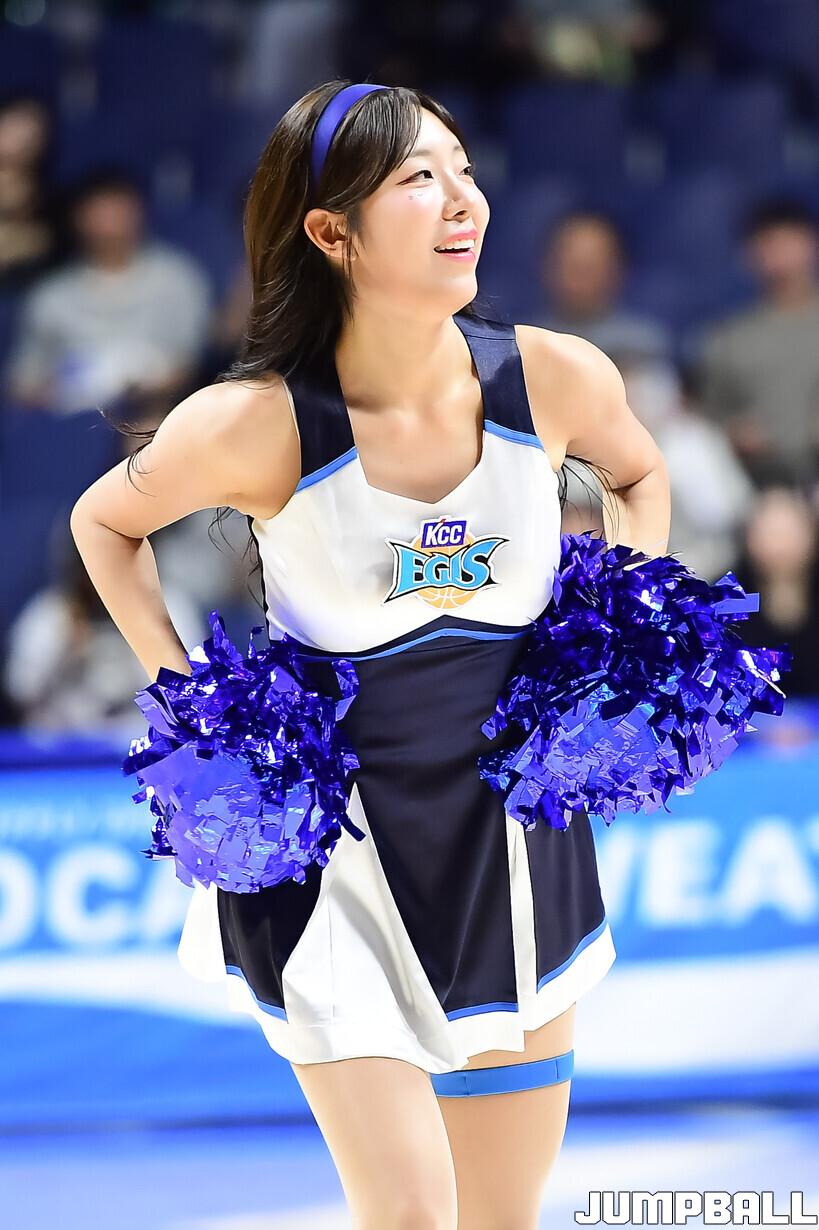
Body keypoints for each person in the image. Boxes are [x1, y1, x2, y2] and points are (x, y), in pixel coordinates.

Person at [70, 81, 670, 1230]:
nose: (464, 201)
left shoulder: (554, 376)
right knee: (410, 1216)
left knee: (501, 1217)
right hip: (332, 860)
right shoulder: (254, 422)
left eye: (465, 171)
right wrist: (188, 701)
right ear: (331, 231)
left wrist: (621, 639)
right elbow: (105, 523)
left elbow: (638, 474)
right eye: (419, 179)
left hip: (516, 848)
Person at [695, 196, 819, 487]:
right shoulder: (729, 339)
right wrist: (732, 432)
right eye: (769, 243)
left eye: (790, 241)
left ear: (811, 244)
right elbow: (708, 421)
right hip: (754, 481)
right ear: (750, 255)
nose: (781, 254)